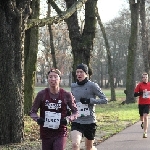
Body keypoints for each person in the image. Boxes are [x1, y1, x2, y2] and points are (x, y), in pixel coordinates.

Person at [30, 68, 78, 150]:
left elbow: (75, 112)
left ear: (60, 79)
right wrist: (37, 119)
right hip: (46, 132)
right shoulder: (41, 94)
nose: (53, 79)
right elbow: (32, 112)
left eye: (55, 77)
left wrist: (68, 119)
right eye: (50, 77)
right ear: (47, 79)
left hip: (60, 132)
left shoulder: (66, 95)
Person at [70, 63, 108, 150]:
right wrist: (69, 109)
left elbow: (105, 100)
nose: (79, 74)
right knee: (75, 145)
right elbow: (72, 101)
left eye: (81, 72)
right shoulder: (73, 86)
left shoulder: (92, 85)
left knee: (88, 147)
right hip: (77, 120)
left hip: (89, 121)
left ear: (86, 74)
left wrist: (90, 101)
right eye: (77, 72)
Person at [134, 72, 150, 138]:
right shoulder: (139, 85)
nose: (145, 78)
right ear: (142, 78)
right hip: (141, 103)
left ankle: (145, 132)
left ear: (148, 78)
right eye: (144, 77)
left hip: (148, 103)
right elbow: (135, 94)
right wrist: (141, 93)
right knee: (141, 118)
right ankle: (143, 123)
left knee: (146, 116)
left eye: (146, 77)